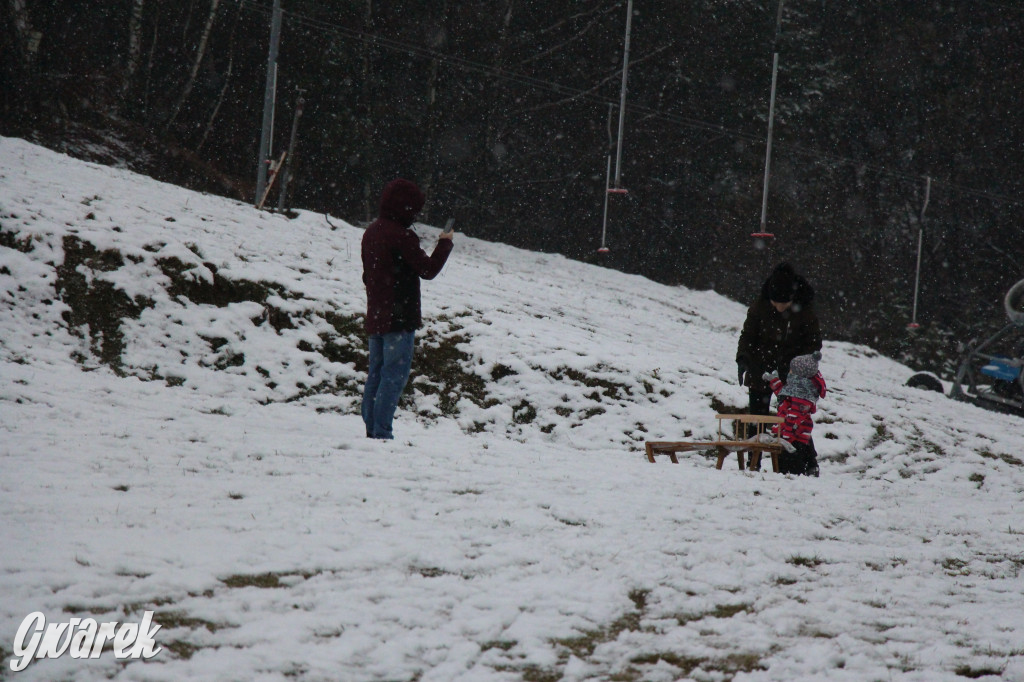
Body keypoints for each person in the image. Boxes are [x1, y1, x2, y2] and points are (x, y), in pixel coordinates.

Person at [361, 178, 453, 440]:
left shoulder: (372, 232)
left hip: (376, 317)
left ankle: (371, 429)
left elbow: (367, 276)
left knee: (376, 375)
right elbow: (428, 270)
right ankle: (382, 433)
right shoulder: (402, 236)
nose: (416, 214)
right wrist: (445, 243)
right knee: (394, 377)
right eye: (414, 208)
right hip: (399, 320)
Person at [736, 262, 822, 416]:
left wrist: (798, 366)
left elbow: (813, 343)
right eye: (775, 303)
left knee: (794, 423)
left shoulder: (805, 313)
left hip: (793, 376)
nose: (779, 308)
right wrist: (743, 357)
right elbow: (748, 335)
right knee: (757, 421)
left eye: (784, 304)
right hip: (760, 369)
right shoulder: (760, 306)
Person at [763, 351, 826, 476]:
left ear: (800, 373)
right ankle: (790, 471)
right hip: (787, 432)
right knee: (783, 460)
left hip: (795, 435)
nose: (789, 371)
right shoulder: (796, 387)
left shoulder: (802, 394)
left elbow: (795, 416)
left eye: (792, 370)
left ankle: (795, 474)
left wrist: (787, 435)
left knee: (792, 460)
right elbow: (783, 394)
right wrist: (774, 381)